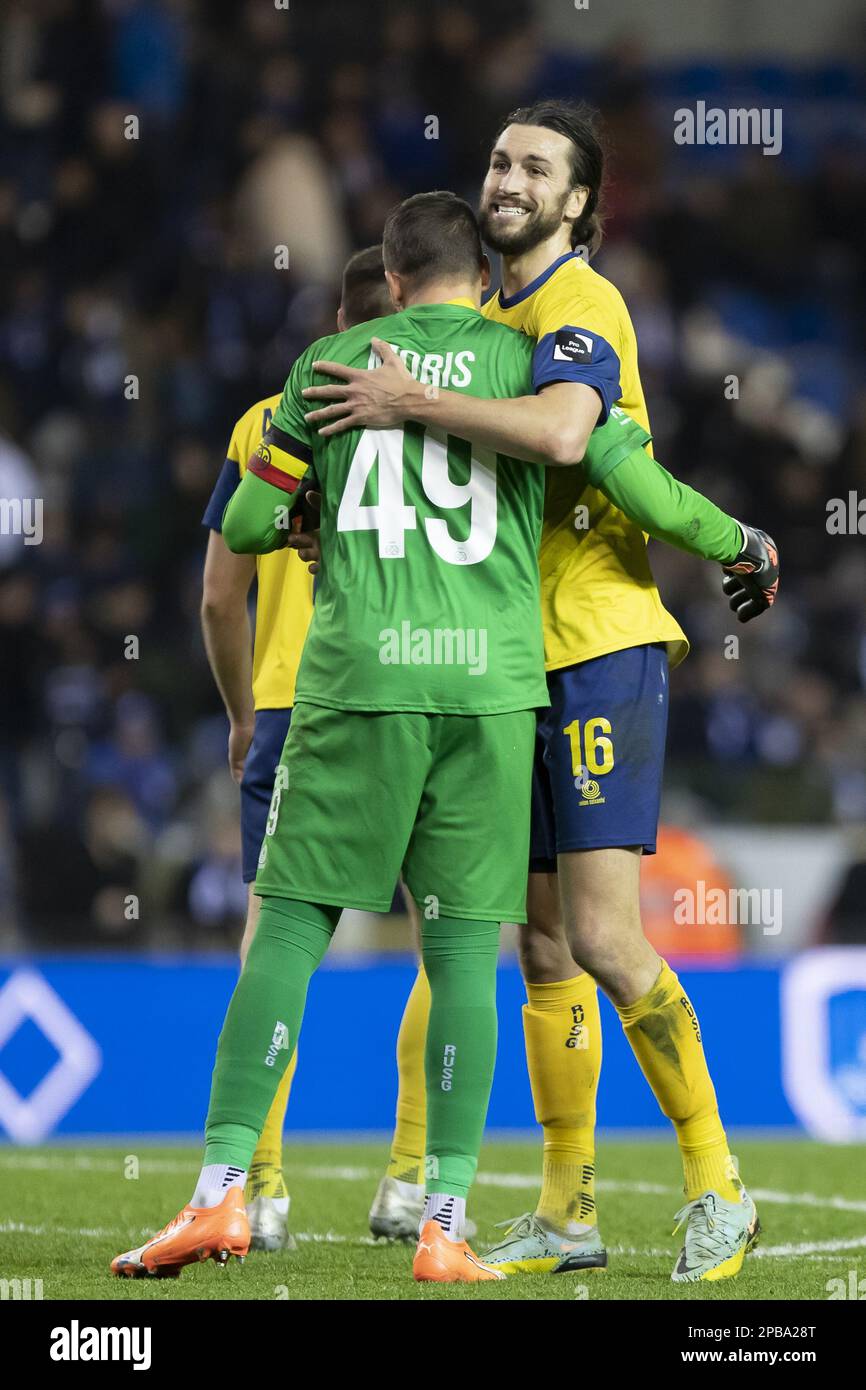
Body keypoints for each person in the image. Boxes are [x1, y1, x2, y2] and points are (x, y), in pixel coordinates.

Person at [301, 101, 778, 1283]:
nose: (506, 178)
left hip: (598, 646)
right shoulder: (487, 319)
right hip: (507, 661)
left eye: (536, 168)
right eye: (499, 160)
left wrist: (409, 403)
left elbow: (570, 437)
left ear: (576, 204)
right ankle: (568, 1208)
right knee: (545, 943)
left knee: (610, 935)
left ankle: (719, 1185)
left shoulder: (579, 304)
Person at [111, 190, 559, 1283]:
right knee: (461, 959)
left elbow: (252, 530)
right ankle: (441, 1218)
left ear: (391, 282)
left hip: (351, 687)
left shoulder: (330, 362)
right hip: (484, 696)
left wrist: (298, 494)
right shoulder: (522, 361)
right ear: (480, 272)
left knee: (285, 940)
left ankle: (226, 1194)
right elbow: (593, 455)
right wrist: (732, 538)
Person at [199, 247, 431, 1250]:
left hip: (295, 698)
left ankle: (260, 1188)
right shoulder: (439, 415)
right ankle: (412, 1181)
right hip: (423, 690)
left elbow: (218, 593)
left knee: (277, 938)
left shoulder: (266, 419)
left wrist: (243, 709)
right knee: (452, 931)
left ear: (332, 315)